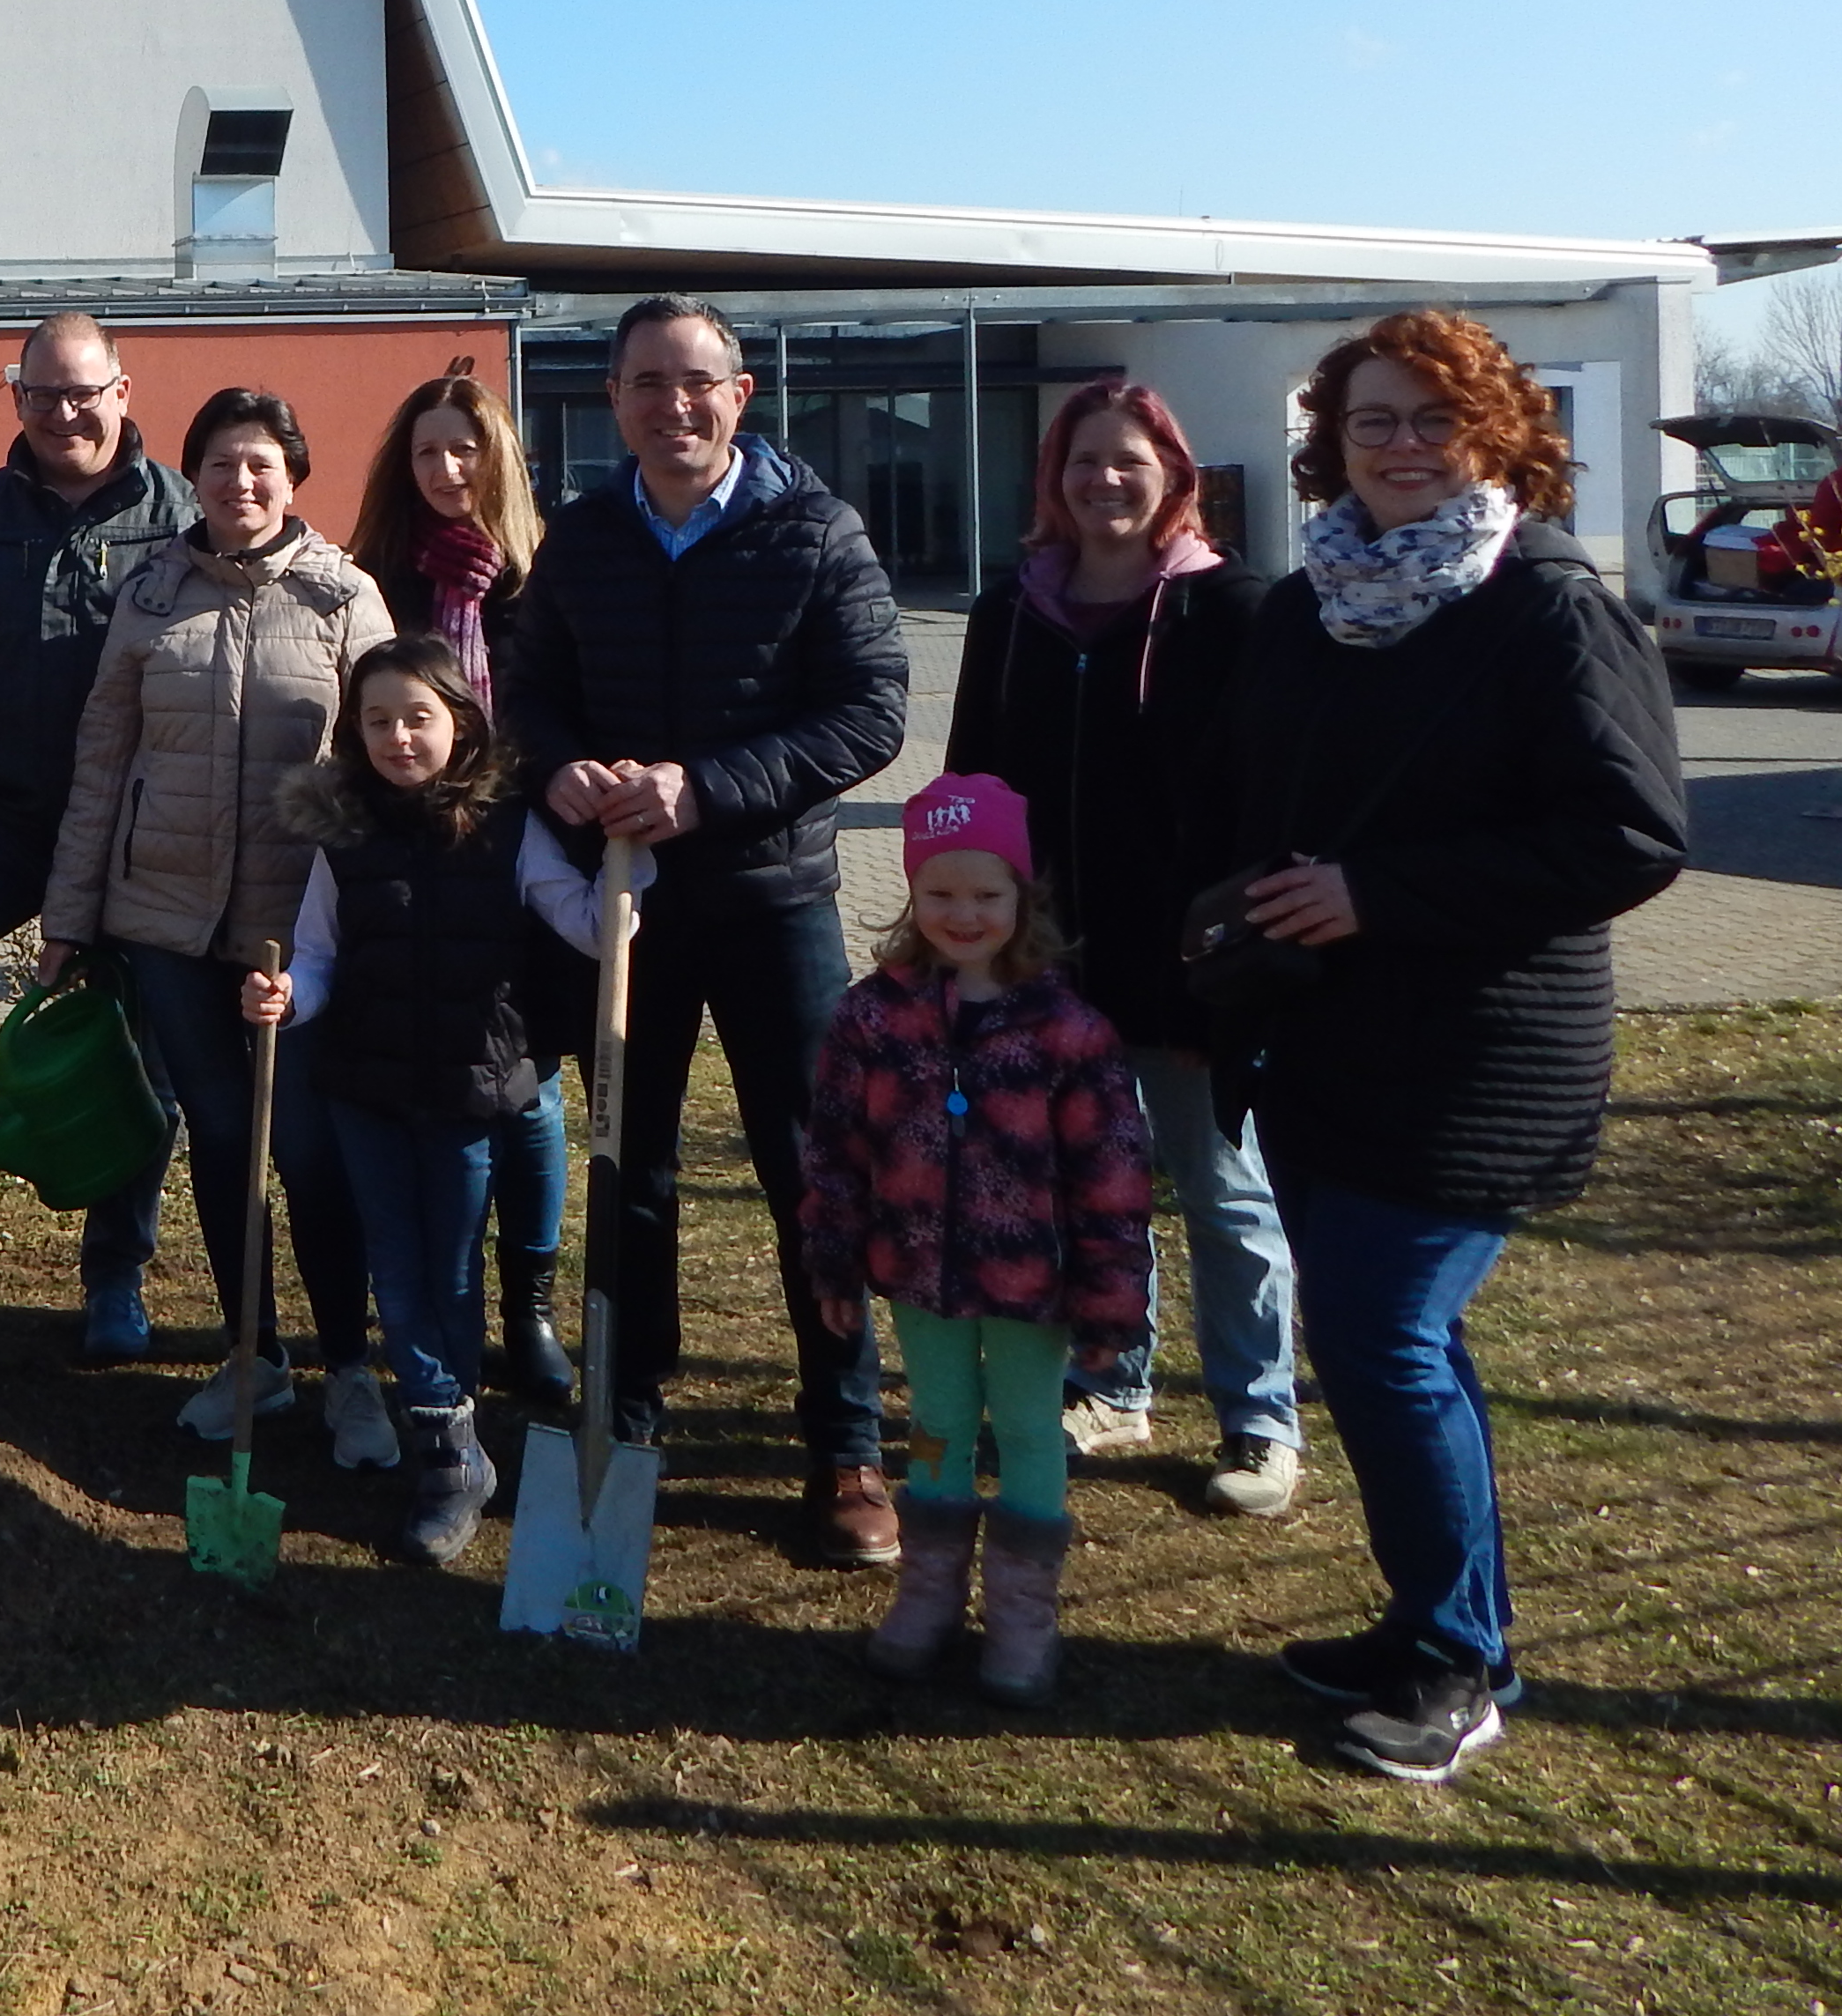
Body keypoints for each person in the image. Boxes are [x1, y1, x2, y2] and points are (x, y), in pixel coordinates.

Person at [1210, 309, 1684, 1783]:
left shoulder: (1544, 605)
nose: (1400, 446)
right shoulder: (1308, 605)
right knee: (1382, 1346)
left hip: (1479, 1049)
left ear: (1492, 432)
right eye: (1370, 423)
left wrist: (1375, 895)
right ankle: (1434, 1615)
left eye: (1429, 418)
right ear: (1329, 443)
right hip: (1324, 1035)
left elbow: (1626, 832)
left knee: (1388, 1339)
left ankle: (1458, 1662)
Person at [501, 292, 910, 1566]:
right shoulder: (583, 540)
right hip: (631, 908)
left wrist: (706, 787)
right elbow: (528, 689)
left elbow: (872, 712)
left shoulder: (814, 530)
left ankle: (845, 1441)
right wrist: (557, 770)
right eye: (643, 384)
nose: (671, 406)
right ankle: (624, 1403)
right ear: (612, 401)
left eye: (696, 382)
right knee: (635, 1164)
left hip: (774, 903)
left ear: (740, 394)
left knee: (812, 1176)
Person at [945, 376, 1296, 1514]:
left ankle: (1260, 1423)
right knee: (1085, 1194)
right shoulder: (1011, 617)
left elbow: (1264, 806)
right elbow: (971, 790)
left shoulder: (1233, 611)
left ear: (1175, 478)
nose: (1105, 482)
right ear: (1053, 478)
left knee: (1224, 1195)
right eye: (1084, 462)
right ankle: (1112, 1382)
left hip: (1191, 966)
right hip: (1049, 964)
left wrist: (1222, 981)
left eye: (1130, 463)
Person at [44, 387, 398, 1468]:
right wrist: (69, 915)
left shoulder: (345, 598)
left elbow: (390, 764)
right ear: (189, 478)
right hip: (167, 924)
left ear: (292, 477)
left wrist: (385, 917)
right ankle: (255, 1355)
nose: (240, 484)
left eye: (261, 466)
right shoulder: (150, 594)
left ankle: (350, 1371)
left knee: (307, 1148)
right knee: (221, 1140)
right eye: (219, 466)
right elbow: (103, 761)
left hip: (299, 932)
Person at [239, 637, 620, 1566]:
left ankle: (455, 1429)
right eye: (378, 721)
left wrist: (625, 869)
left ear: (461, 724)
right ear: (354, 732)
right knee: (397, 1268)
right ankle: (446, 1449)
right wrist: (290, 1000)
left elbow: (580, 919)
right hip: (367, 1087)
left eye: (418, 718)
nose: (399, 738)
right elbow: (318, 954)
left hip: (463, 1090)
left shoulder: (509, 828)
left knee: (448, 1270)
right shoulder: (346, 833)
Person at [801, 774, 1155, 1706]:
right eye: (940, 894)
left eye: (986, 895)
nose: (963, 914)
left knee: (1031, 1429)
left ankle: (1023, 1613)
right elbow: (835, 1145)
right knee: (934, 1427)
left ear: (1023, 898)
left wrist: (1114, 1295)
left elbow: (1113, 1172)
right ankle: (928, 1591)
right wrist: (834, 1253)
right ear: (912, 894)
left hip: (1035, 1283)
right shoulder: (873, 1016)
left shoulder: (1068, 1032)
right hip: (919, 1275)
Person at [0, 312, 199, 1359]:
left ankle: (116, 1275)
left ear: (122, 388)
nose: (64, 413)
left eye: (83, 392)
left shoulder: (182, 518)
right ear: (13, 397)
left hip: (135, 833)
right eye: (41, 395)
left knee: (140, 1059)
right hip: (0, 821)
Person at [348, 369, 574, 1412]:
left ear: (500, 459)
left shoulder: (545, 576)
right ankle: (441, 1320)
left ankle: (527, 1307)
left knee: (528, 1101)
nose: (445, 471)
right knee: (431, 1111)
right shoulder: (378, 572)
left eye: (465, 450)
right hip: (405, 856)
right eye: (428, 453)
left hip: (521, 848)